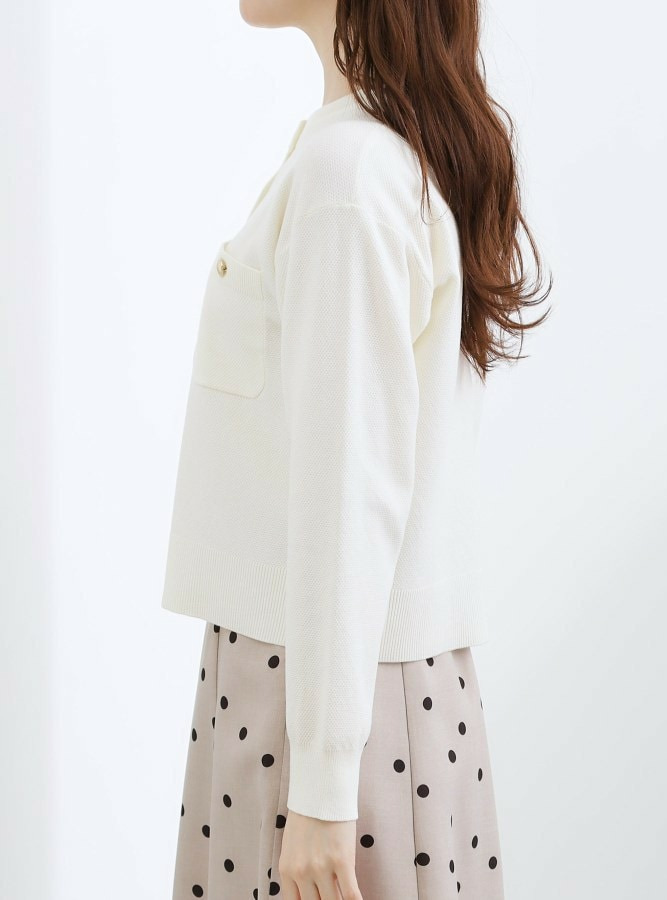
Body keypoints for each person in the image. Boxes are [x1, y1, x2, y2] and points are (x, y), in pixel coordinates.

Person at [161, 2, 551, 898]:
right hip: (342, 691)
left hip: (324, 703)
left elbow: (349, 490)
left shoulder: (349, 175)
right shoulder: (364, 155)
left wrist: (325, 786)